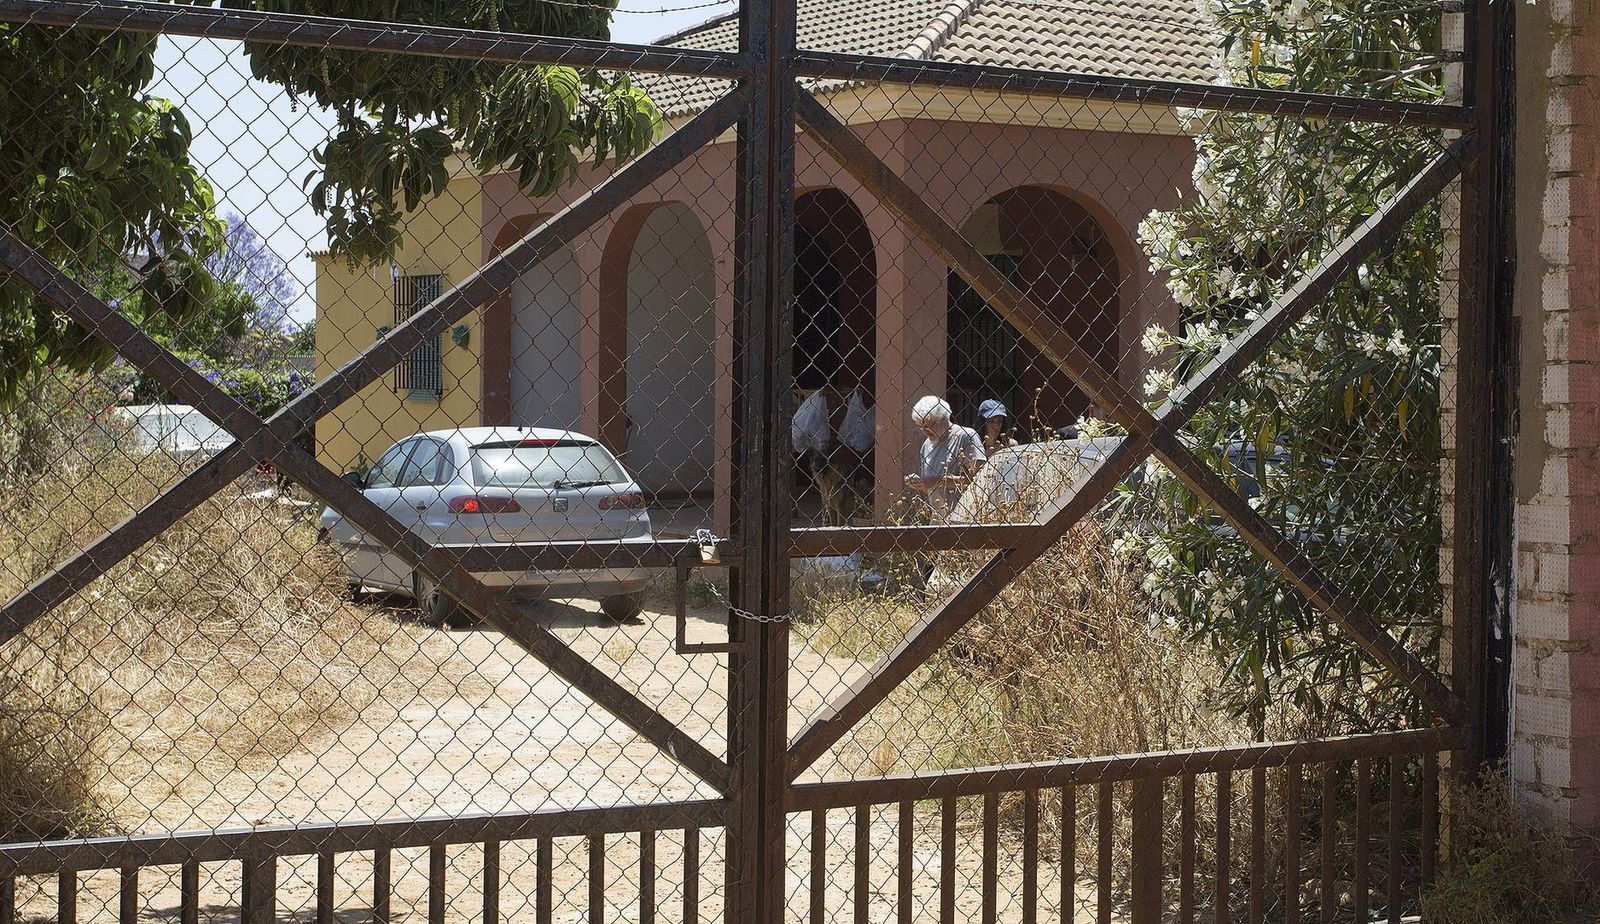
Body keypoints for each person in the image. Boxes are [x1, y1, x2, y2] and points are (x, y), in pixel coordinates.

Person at [904, 395, 985, 517]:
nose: (924, 431)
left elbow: (980, 481)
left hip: (966, 517)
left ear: (942, 419)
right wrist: (920, 483)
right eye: (921, 426)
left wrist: (938, 480)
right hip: (938, 519)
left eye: (927, 425)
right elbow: (932, 489)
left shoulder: (965, 436)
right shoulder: (926, 445)